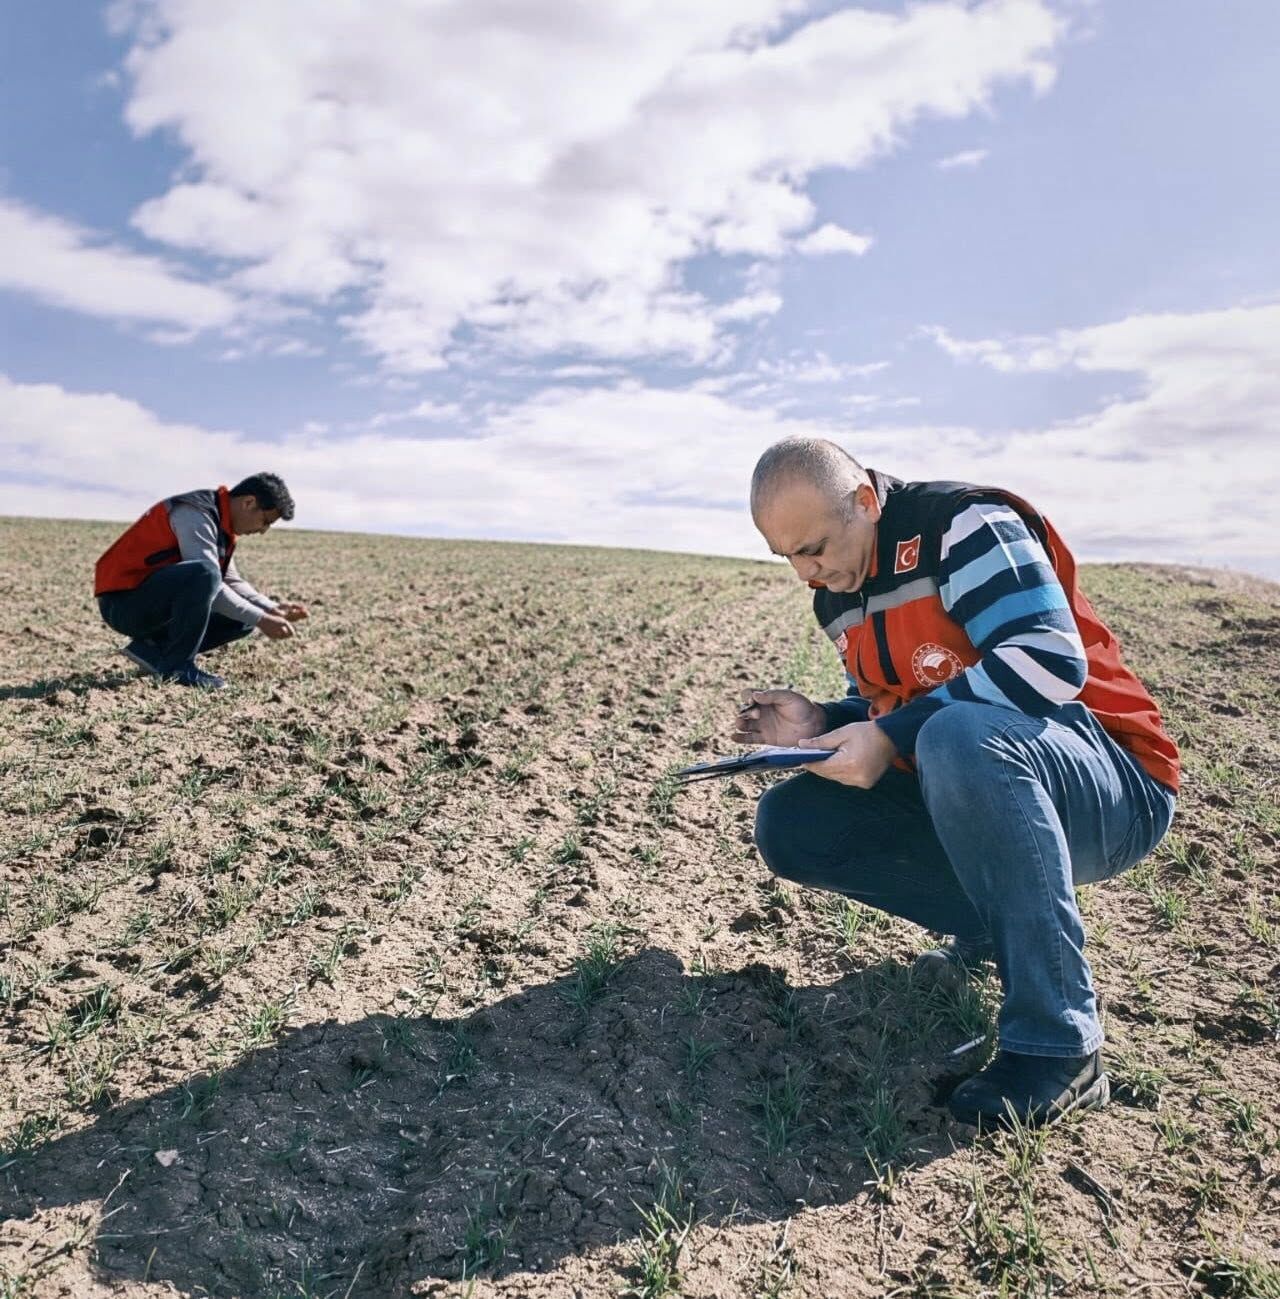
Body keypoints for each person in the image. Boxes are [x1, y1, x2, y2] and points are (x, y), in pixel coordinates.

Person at [735, 437, 1178, 1128]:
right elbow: (897, 706)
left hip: (1114, 777)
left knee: (953, 735)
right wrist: (827, 719)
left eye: (814, 546)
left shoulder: (962, 527)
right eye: (787, 555)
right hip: (987, 769)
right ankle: (995, 925)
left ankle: (1062, 1045)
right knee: (791, 821)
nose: (805, 572)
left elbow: (1045, 661)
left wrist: (892, 735)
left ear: (865, 500)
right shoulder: (838, 595)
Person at [94, 473, 307, 689]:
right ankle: (177, 666)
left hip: (148, 604)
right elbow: (208, 579)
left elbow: (230, 581)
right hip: (123, 605)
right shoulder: (196, 512)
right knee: (207, 575)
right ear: (248, 502)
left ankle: (152, 650)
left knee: (242, 621)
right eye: (265, 521)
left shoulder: (221, 524)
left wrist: (272, 608)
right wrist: (262, 619)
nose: (263, 531)